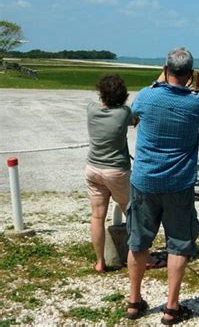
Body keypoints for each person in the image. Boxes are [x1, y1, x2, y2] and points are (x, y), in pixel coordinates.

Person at [126, 48, 199, 324]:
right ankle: (172, 307)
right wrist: (193, 89)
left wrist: (160, 79)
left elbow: (136, 113)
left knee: (138, 242)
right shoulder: (197, 103)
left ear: (165, 69)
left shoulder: (146, 95)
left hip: (145, 180)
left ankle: (134, 301)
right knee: (179, 245)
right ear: (190, 74)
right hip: (178, 182)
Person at [85, 74, 133, 273]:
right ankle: (139, 256)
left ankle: (100, 262)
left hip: (93, 168)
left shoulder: (91, 110)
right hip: (116, 170)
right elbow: (135, 118)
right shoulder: (123, 113)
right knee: (132, 213)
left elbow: (97, 103)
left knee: (97, 217)